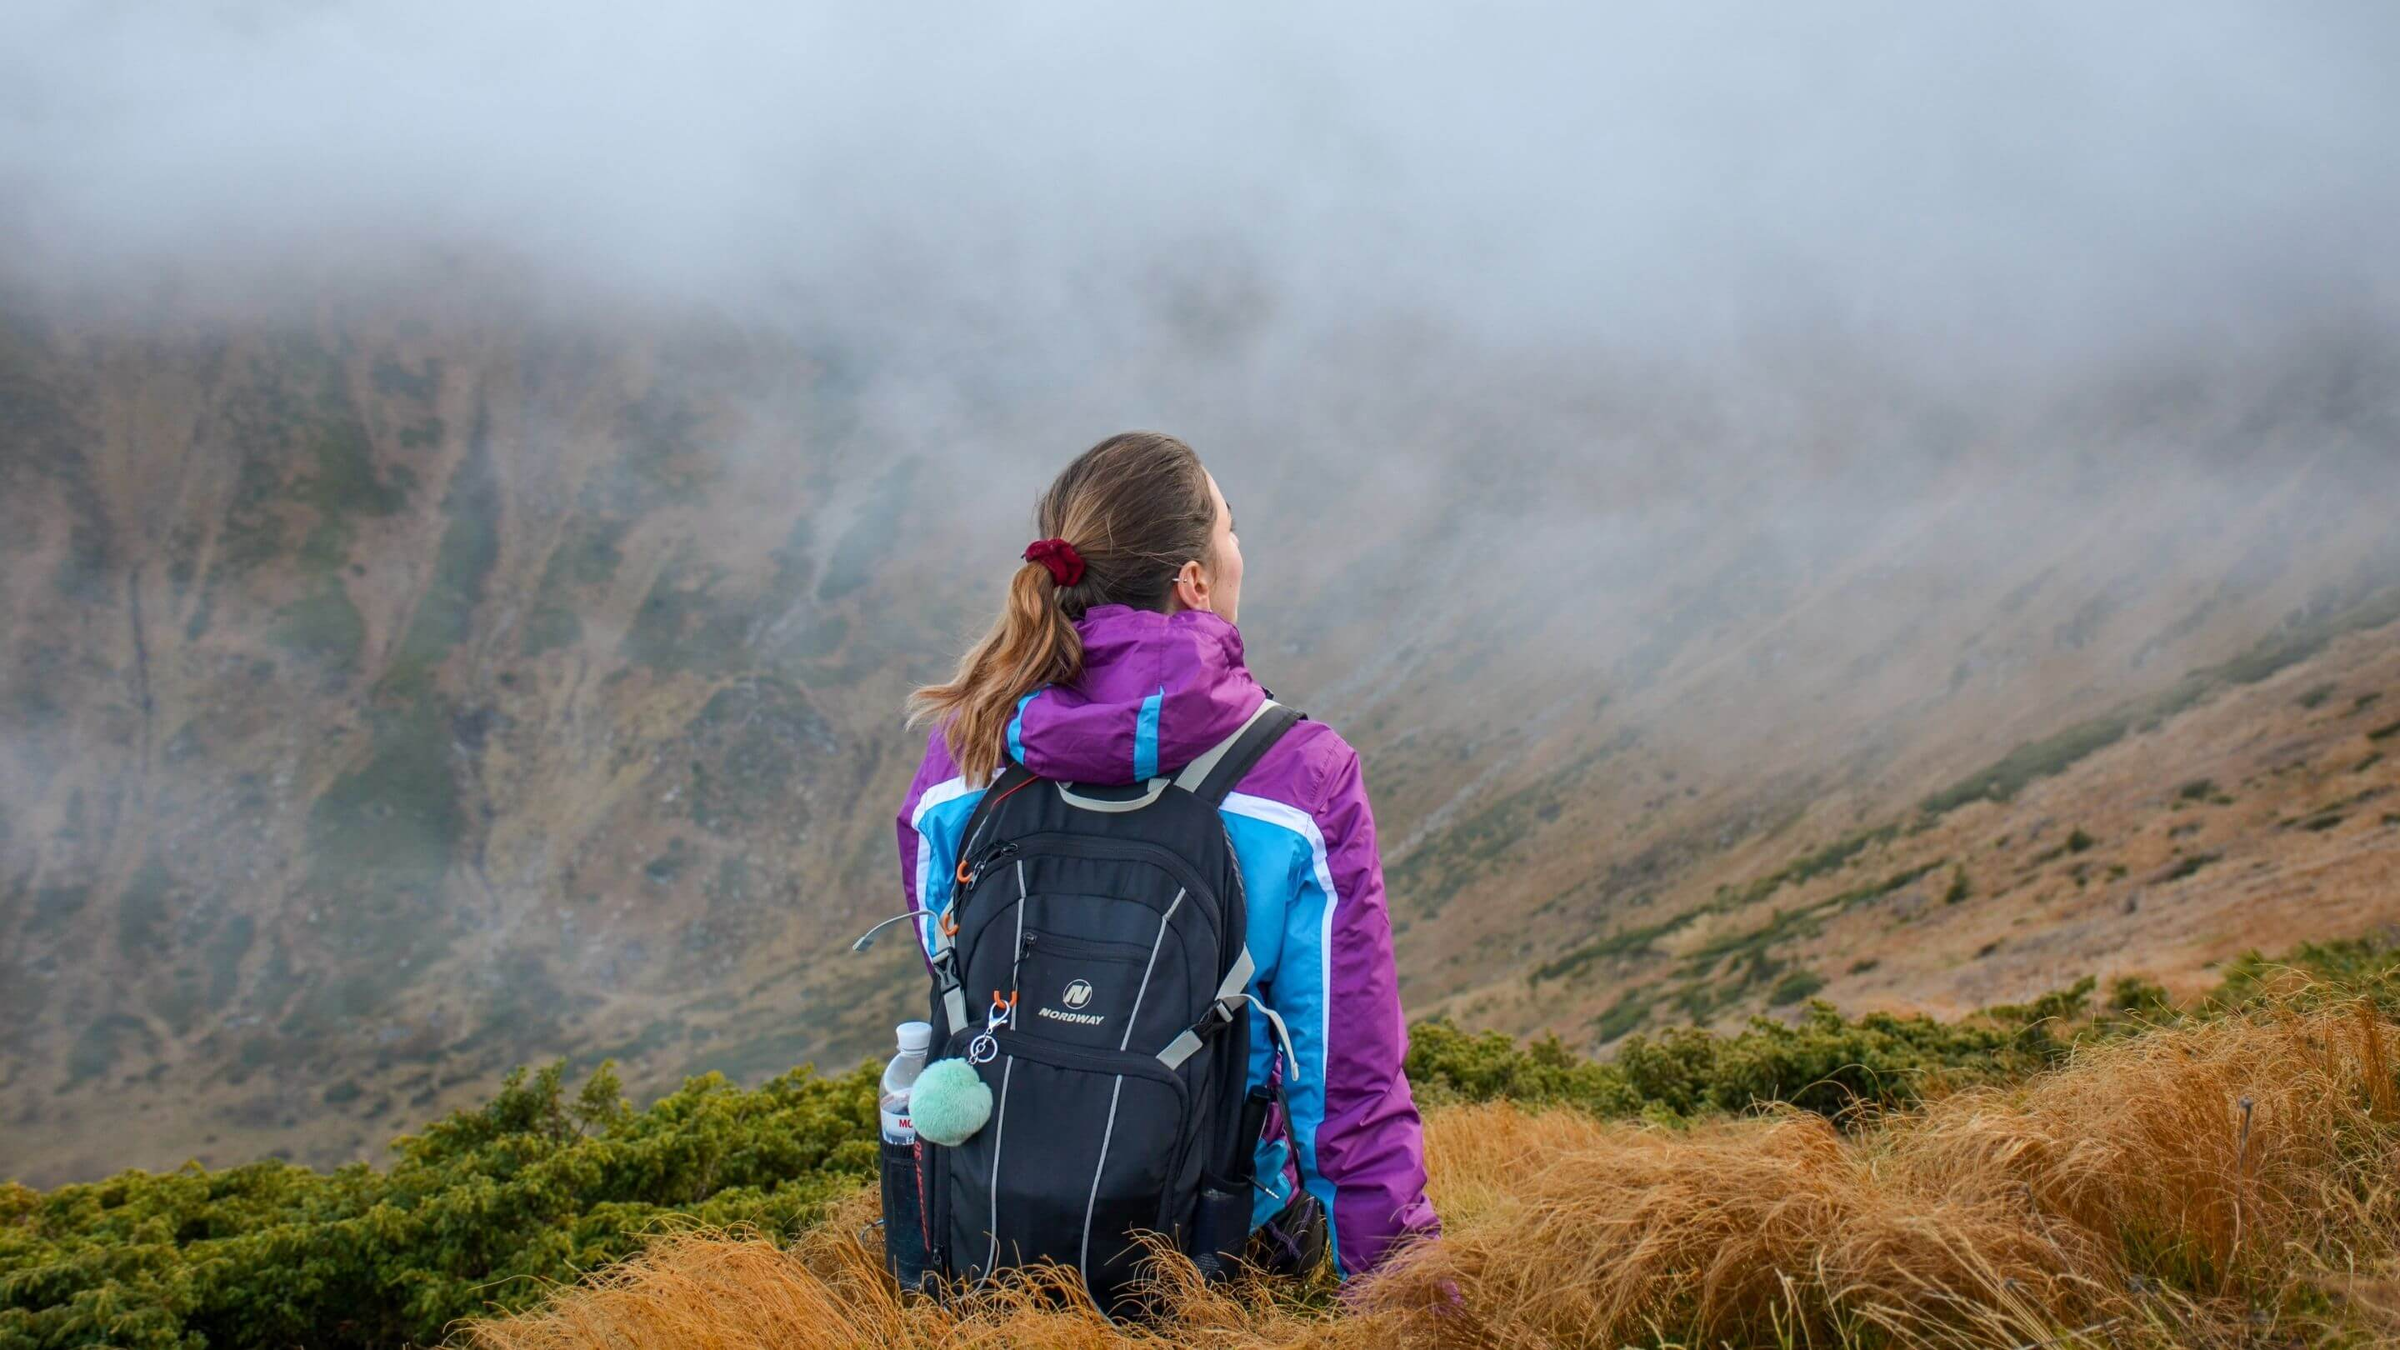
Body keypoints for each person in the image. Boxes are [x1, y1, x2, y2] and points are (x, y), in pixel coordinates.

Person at [894, 431, 1438, 1282]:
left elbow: (953, 967)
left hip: (985, 1229)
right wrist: (1406, 1297)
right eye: (1230, 531)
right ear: (1193, 579)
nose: (1237, 551)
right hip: (1212, 1251)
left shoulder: (962, 754)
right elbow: (1345, 1083)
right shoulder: (1300, 776)